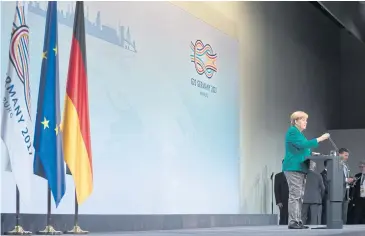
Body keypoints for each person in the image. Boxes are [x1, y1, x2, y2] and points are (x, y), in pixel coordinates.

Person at [282, 111, 329, 229]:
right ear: (296, 121)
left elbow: (302, 148)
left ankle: (298, 221)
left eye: (306, 120)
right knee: (295, 195)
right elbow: (303, 145)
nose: (305, 122)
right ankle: (293, 221)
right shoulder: (293, 131)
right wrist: (320, 139)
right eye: (303, 120)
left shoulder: (299, 133)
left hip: (301, 167)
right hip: (293, 167)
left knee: (300, 195)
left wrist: (312, 153)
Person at [339, 148, 354, 224]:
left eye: (347, 156)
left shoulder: (346, 165)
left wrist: (351, 180)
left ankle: (344, 228)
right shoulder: (335, 164)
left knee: (344, 213)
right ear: (339, 154)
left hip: (346, 193)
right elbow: (334, 178)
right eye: (345, 155)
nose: (347, 157)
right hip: (338, 192)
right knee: (338, 212)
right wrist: (346, 180)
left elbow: (347, 176)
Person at [320, 160, 329, 225]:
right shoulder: (322, 174)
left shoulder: (331, 173)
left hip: (331, 196)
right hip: (326, 196)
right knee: (325, 212)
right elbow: (326, 186)